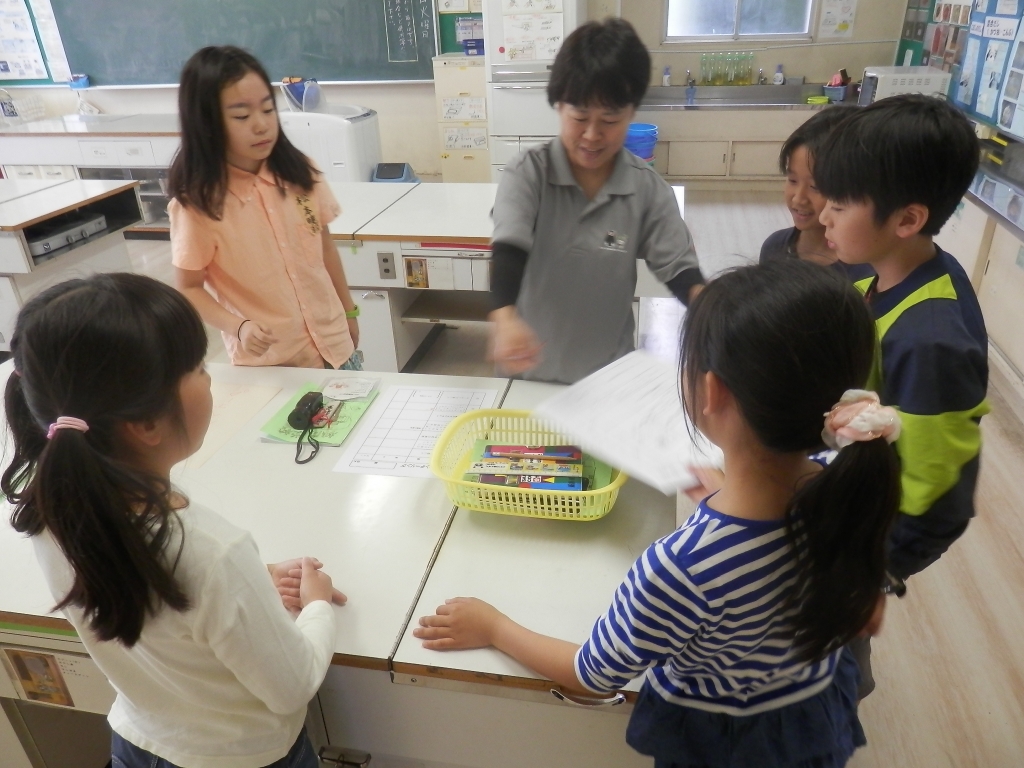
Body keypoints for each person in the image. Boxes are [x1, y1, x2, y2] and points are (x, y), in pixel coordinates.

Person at [415, 261, 902, 768]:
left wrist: (494, 627)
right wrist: (732, 493)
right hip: (808, 712)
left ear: (712, 392)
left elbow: (593, 674)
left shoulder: (682, 567)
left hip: (727, 743)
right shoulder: (851, 482)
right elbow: (865, 612)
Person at [1, 274, 346, 768]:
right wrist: (316, 606)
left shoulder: (53, 510)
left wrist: (253, 581)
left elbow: (148, 585)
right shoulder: (213, 551)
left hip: (138, 743)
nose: (210, 378)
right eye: (199, 368)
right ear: (146, 424)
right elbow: (292, 686)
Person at [814, 93, 988, 697]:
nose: (823, 216)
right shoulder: (892, 267)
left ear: (907, 219)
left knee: (836, 628)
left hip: (882, 530)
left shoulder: (930, 339)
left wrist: (874, 571)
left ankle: (841, 694)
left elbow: (937, 490)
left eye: (839, 205)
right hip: (860, 485)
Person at [488, 19, 704, 384]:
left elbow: (681, 272)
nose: (592, 135)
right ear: (559, 106)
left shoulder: (646, 189)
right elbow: (508, 248)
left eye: (610, 119)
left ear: (632, 113)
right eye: (579, 117)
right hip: (528, 377)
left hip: (607, 382)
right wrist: (505, 319)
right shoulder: (528, 173)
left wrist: (713, 308)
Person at [169, 46, 362, 370]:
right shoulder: (198, 205)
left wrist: (349, 311)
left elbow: (325, 248)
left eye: (268, 109)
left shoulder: (300, 172)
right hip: (272, 363)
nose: (261, 125)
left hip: (334, 344)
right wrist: (238, 326)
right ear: (206, 123)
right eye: (242, 116)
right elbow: (188, 288)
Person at [759, 107, 868, 277]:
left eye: (816, 187)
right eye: (792, 180)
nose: (798, 199)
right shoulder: (774, 247)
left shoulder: (867, 272)